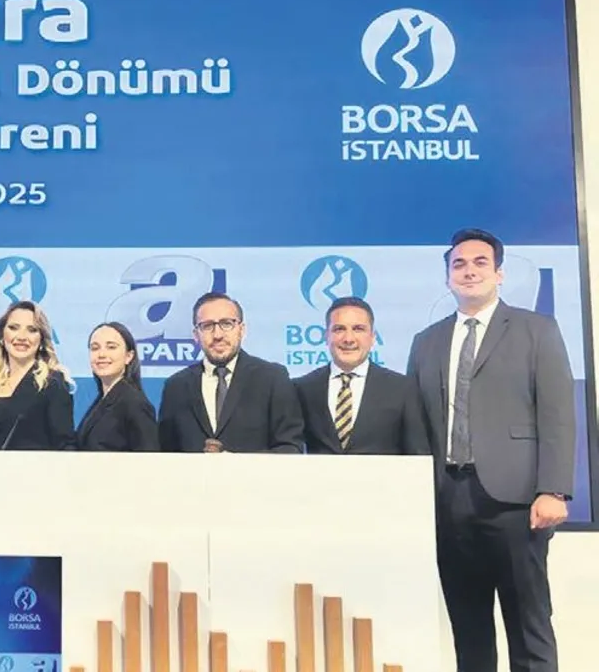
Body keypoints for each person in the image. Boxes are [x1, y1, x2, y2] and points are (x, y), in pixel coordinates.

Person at [407, 229, 574, 672]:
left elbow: (558, 412)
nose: (469, 271)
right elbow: (417, 424)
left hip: (517, 501)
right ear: (447, 277)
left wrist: (553, 489)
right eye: (459, 264)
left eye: (480, 262)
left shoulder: (536, 329)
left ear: (499, 274)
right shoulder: (426, 340)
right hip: (448, 500)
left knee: (529, 627)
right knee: (469, 632)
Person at [158, 292, 303, 453]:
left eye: (226, 324)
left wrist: (238, 464)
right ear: (196, 335)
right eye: (207, 326)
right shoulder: (176, 386)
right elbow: (164, 454)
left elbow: (290, 448)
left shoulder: (272, 379)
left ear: (241, 330)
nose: (217, 335)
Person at [294, 296, 428, 455]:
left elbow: (418, 456)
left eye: (358, 329)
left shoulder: (403, 389)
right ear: (326, 336)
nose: (348, 339)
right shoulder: (301, 389)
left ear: (373, 337)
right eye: (339, 329)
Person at [0, 301, 76, 450]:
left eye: (32, 330)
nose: (22, 337)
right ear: (2, 336)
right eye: (13, 328)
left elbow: (65, 445)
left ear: (41, 340)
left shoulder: (53, 383)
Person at [76, 322, 158, 451]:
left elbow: (148, 456)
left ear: (129, 356)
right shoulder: (101, 400)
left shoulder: (134, 403)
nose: (101, 354)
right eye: (95, 348)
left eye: (111, 347)